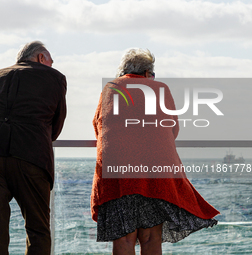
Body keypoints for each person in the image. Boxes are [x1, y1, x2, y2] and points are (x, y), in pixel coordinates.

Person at [91, 48, 219, 255]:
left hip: (118, 171)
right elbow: (172, 128)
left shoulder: (110, 88)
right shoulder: (159, 89)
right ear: (148, 73)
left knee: (124, 237)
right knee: (150, 237)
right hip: (154, 170)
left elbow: (98, 126)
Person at [0, 41, 67, 255]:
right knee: (38, 230)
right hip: (31, 156)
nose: (52, 64)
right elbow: (55, 128)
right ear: (41, 58)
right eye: (51, 60)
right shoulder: (54, 77)